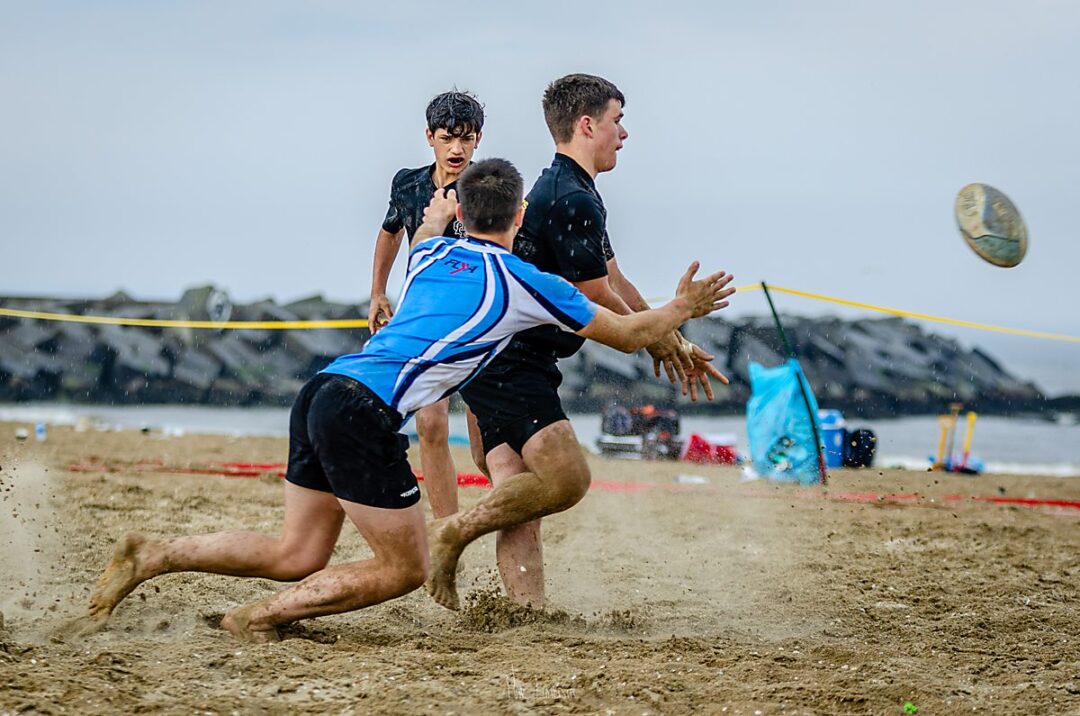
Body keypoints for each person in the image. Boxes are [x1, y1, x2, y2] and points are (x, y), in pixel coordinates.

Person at [75, 158, 735, 642]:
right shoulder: (525, 279)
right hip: (363, 412)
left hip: (323, 391)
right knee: (406, 568)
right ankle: (257, 618)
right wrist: (683, 307)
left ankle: (152, 553)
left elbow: (424, 232)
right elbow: (626, 334)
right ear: (520, 216)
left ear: (464, 215)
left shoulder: (428, 258)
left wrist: (438, 216)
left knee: (295, 554)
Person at [445, 74, 730, 609]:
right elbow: (598, 297)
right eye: (617, 120)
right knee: (553, 483)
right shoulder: (570, 197)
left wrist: (672, 338)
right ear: (587, 124)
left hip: (495, 355)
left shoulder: (572, 189)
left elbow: (614, 280)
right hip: (511, 362)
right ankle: (454, 536)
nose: (624, 133)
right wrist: (663, 332)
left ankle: (525, 611)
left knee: (518, 489)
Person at [368, 90, 485, 522]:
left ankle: (510, 511)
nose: (457, 148)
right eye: (447, 137)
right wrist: (378, 291)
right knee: (430, 425)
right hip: (425, 317)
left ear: (478, 140)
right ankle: (446, 528)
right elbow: (390, 231)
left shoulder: (487, 189)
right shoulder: (408, 184)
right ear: (429, 137)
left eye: (466, 138)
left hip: (479, 320)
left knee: (485, 449)